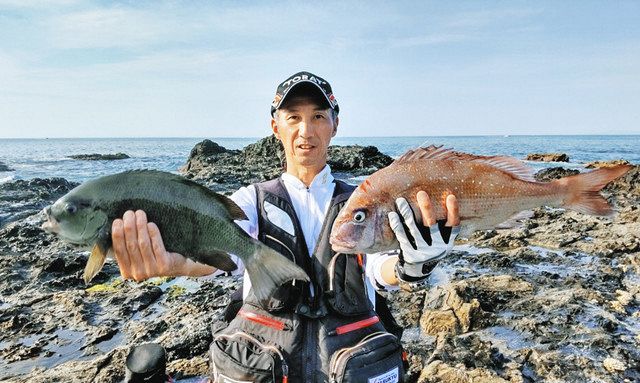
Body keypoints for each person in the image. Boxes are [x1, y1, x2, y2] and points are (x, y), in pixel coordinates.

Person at [112, 71, 461, 383]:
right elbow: (220, 251)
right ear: (275, 126)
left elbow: (378, 266)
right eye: (293, 117)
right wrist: (173, 262)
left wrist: (413, 265)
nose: (305, 131)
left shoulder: (364, 201)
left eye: (318, 117)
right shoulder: (250, 200)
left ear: (335, 125)